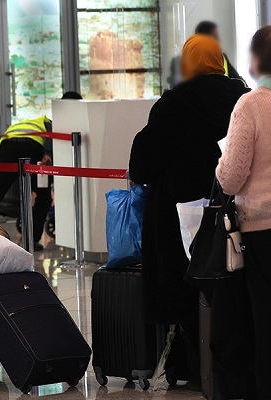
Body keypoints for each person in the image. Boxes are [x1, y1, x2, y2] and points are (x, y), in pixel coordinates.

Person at [129, 34, 249, 384]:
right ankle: (229, 367)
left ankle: (189, 366)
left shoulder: (173, 103)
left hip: (176, 220)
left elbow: (143, 162)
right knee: (230, 291)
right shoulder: (242, 98)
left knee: (184, 292)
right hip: (232, 217)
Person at [216, 25, 271, 397]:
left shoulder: (251, 104)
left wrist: (218, 167)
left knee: (265, 323)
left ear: (256, 60)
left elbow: (232, 177)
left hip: (262, 230)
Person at [0, 91, 82, 250]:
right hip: (32, 147)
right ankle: (31, 240)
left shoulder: (26, 124)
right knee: (43, 196)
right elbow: (50, 135)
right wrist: (48, 155)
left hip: (6, 147)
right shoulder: (48, 121)